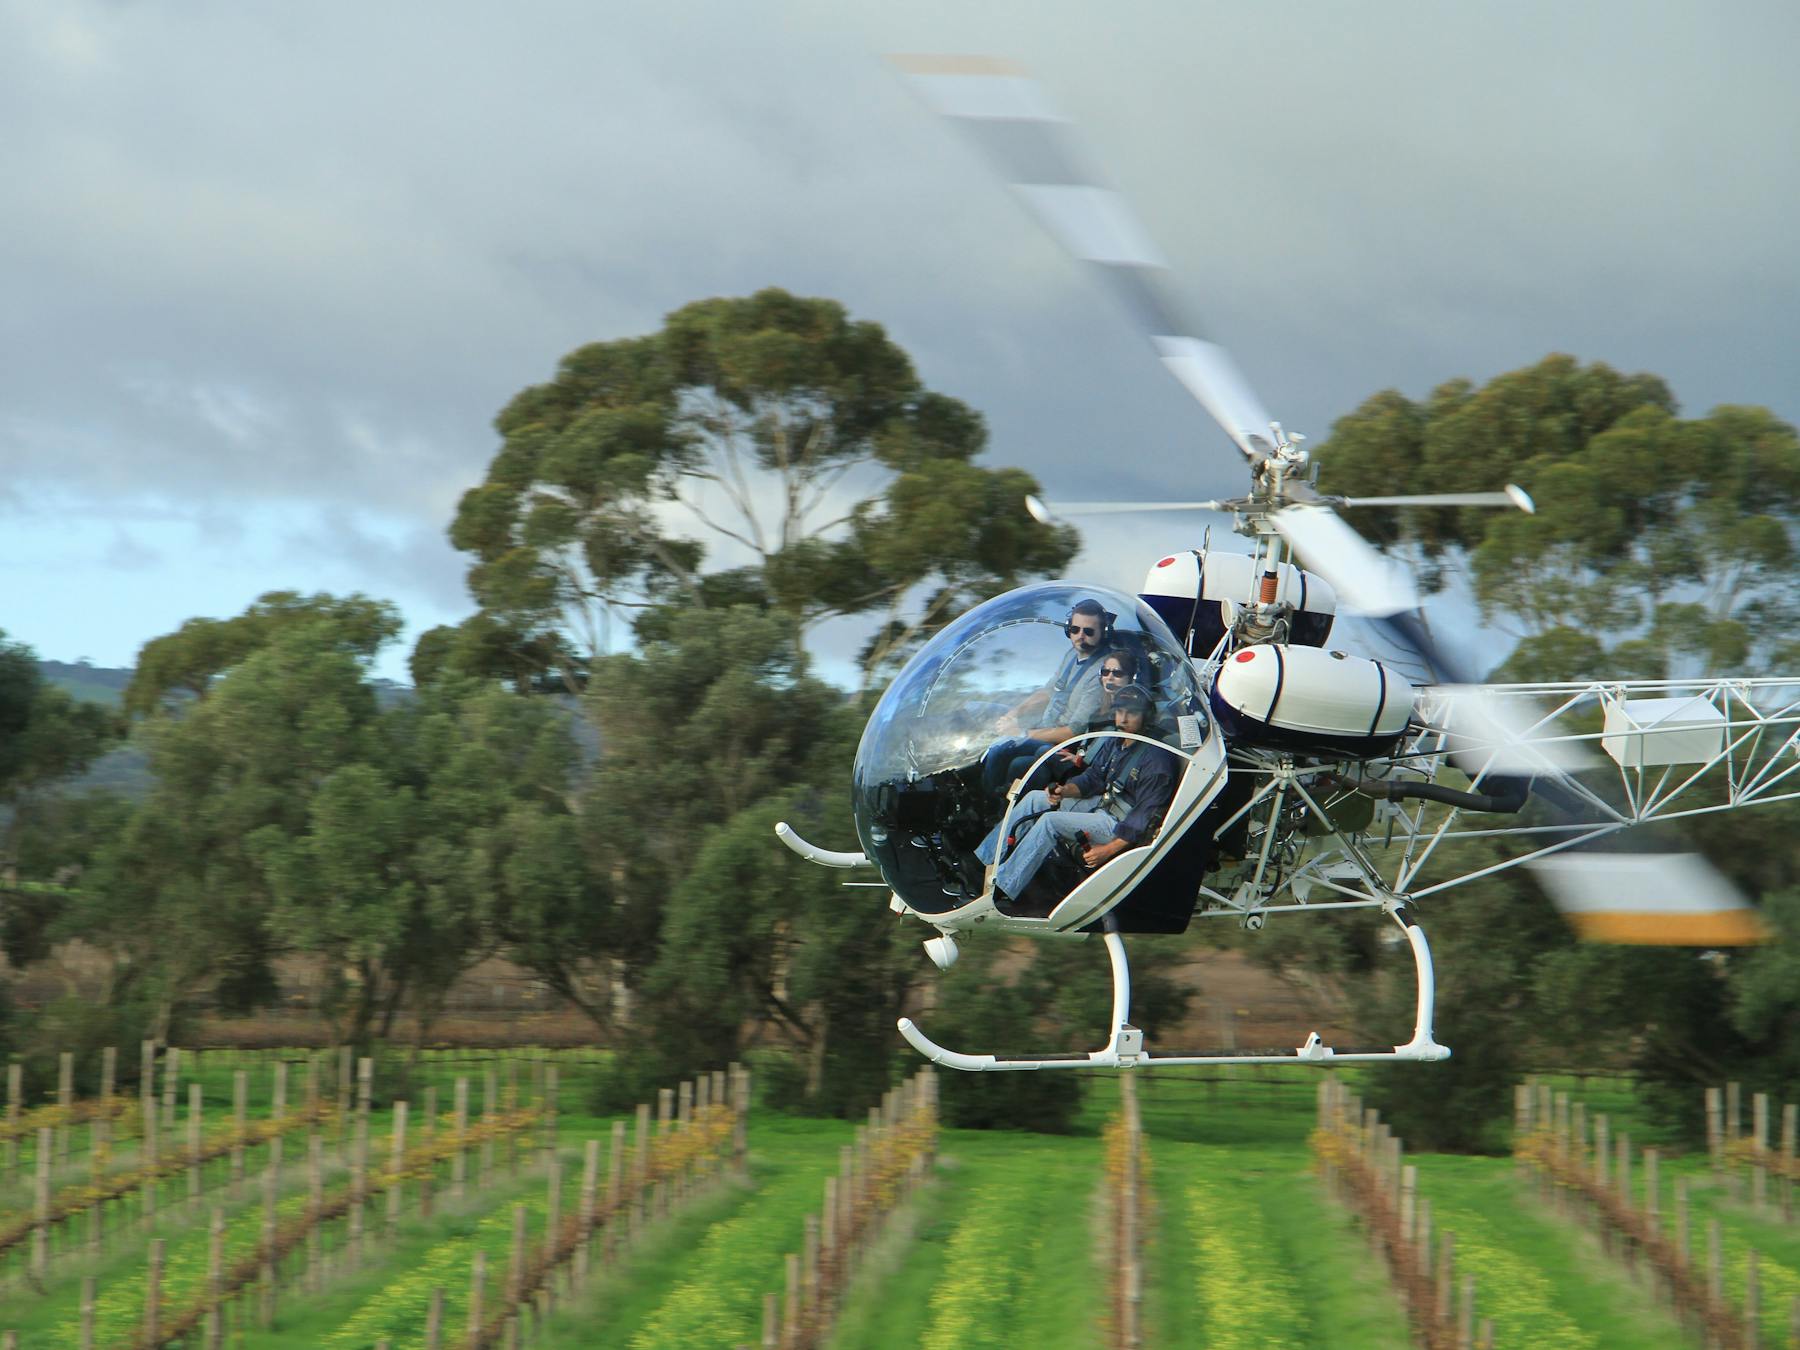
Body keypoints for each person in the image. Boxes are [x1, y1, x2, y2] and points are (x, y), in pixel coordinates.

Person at [974, 683, 1181, 908]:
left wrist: (1107, 850)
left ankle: (1003, 888)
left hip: (1118, 824)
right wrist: (1064, 791)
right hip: (1102, 805)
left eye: (1131, 713)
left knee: (1050, 822)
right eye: (1120, 712)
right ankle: (983, 863)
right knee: (1035, 797)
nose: (1122, 719)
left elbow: (1143, 817)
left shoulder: (1157, 761)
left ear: (1147, 716)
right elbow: (1092, 779)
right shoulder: (1117, 740)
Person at [979, 599, 1117, 796]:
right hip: (1045, 729)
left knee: (1001, 752)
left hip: (1063, 745)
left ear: (1103, 633)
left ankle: (990, 805)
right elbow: (1048, 691)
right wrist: (1014, 713)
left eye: (1089, 631)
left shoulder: (1100, 673)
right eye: (1075, 629)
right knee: (995, 739)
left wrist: (1021, 733)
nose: (1080, 636)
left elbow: (1073, 732)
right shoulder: (1072, 655)